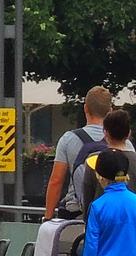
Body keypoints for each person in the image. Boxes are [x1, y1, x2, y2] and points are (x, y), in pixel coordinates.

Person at [44, 86, 121, 221]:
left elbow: (56, 181)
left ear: (85, 108)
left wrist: (48, 217)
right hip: (113, 215)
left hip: (76, 214)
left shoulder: (68, 139)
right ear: (110, 111)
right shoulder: (122, 142)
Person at [66, 108, 136, 216]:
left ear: (105, 132)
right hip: (132, 226)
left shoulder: (93, 160)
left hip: (102, 225)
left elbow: (87, 199)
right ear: (129, 133)